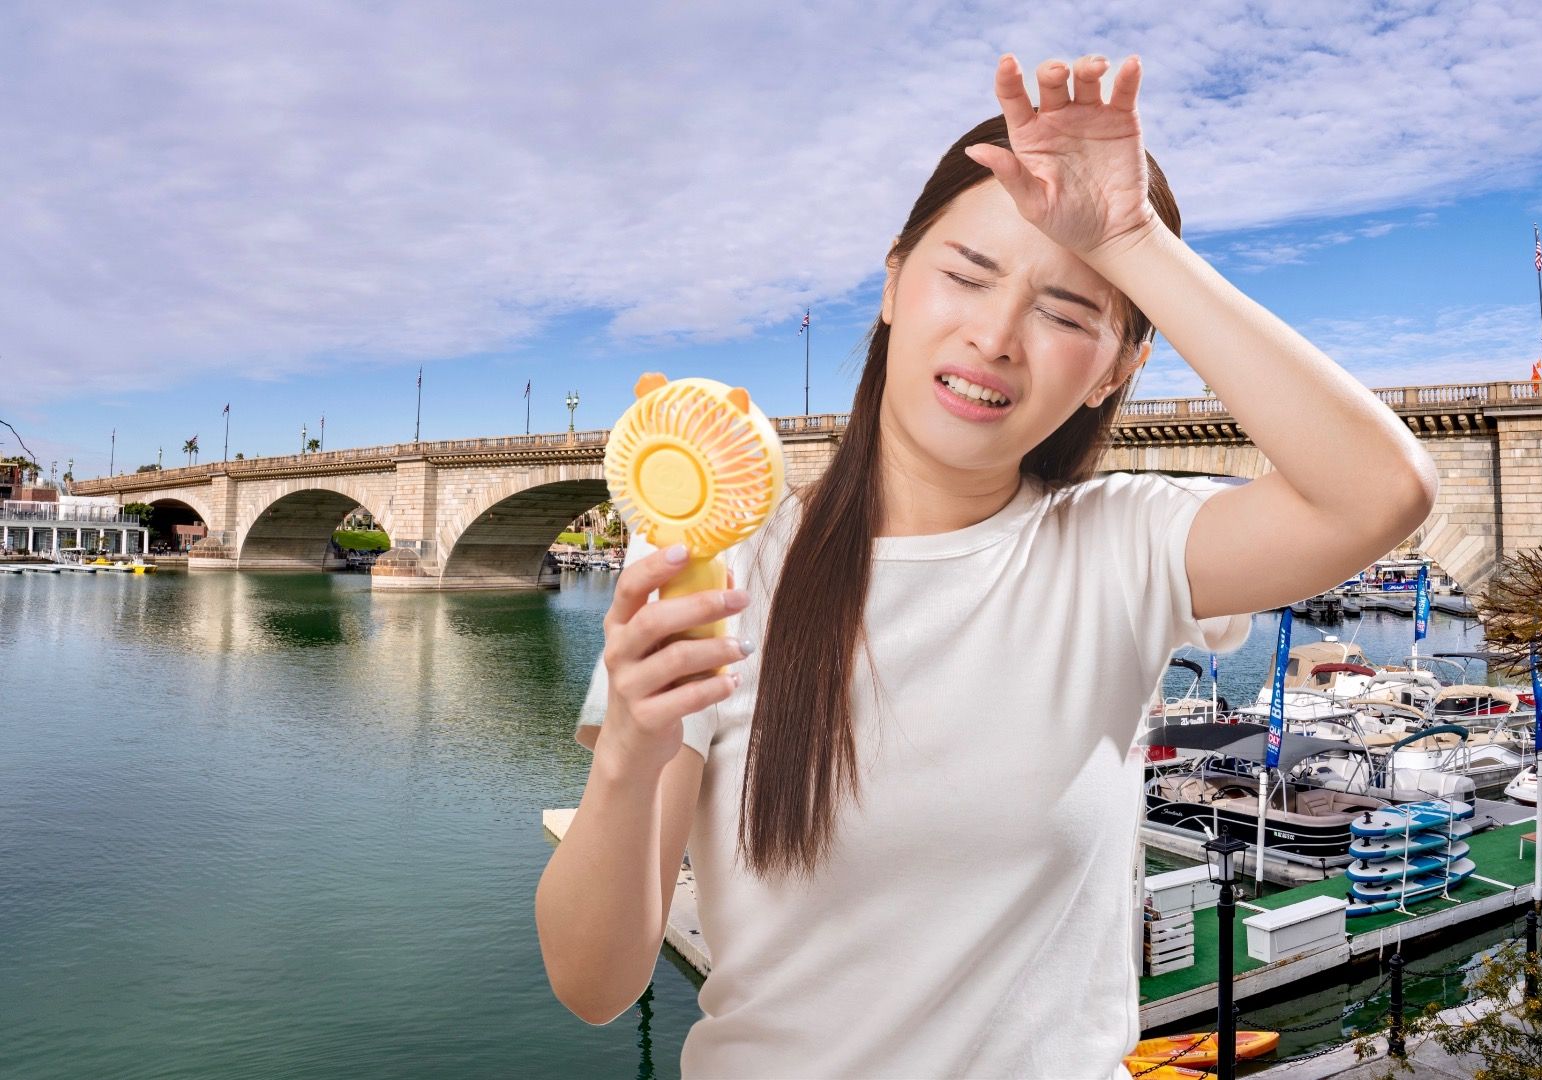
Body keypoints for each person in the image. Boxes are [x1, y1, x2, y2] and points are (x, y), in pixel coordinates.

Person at [536, 52, 1436, 1079]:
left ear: (1117, 371)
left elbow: (1382, 492)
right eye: (964, 274)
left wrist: (1133, 240)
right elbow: (593, 983)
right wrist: (627, 759)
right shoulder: (718, 564)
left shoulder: (1118, 546)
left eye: (1065, 312)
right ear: (891, 283)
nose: (995, 335)